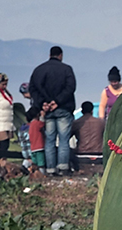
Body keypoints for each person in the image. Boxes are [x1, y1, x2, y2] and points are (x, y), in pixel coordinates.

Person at [28, 46, 76, 176]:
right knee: (63, 139)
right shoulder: (66, 69)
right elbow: (70, 87)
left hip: (47, 111)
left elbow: (32, 88)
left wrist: (43, 103)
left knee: (49, 139)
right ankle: (63, 168)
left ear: (50, 55)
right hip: (63, 109)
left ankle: (50, 169)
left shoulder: (39, 70)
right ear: (60, 55)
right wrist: (57, 102)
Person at [26, 106, 45, 171]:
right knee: (41, 163)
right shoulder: (36, 123)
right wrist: (42, 116)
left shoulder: (30, 125)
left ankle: (27, 167)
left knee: (34, 163)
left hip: (33, 148)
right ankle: (42, 174)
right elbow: (42, 123)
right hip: (39, 147)